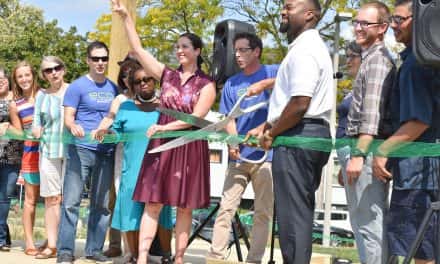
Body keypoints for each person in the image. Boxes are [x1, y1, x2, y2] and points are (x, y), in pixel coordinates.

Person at [112, 1, 216, 263]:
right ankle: (144, 257)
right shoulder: (166, 75)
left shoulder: (206, 84)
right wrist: (126, 18)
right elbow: (137, 49)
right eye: (177, 46)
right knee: (153, 202)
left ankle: (179, 258)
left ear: (197, 51)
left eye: (184, 46)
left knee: (183, 207)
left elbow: (195, 118)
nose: (179, 50)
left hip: (188, 145)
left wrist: (165, 126)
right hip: (161, 144)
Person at [248, 0, 334, 262]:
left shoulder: (305, 50)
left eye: (290, 6)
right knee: (295, 217)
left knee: (293, 221)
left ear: (309, 15)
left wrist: (272, 134)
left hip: (299, 135)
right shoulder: (304, 48)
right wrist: (268, 125)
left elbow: (300, 103)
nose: (283, 11)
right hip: (304, 133)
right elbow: (293, 103)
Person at [373, 0, 440, 263]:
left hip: (417, 178)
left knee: (420, 252)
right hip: (427, 173)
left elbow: (418, 121)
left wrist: (383, 150)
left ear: (422, 19)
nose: (393, 26)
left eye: (400, 20)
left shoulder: (415, 65)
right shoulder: (428, 62)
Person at [207, 32, 277, 263]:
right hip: (238, 157)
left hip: (267, 157)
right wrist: (234, 143)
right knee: (226, 208)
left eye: (242, 50)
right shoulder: (231, 83)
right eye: (235, 51)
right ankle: (216, 256)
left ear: (256, 51)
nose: (237, 55)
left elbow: (295, 84)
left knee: (262, 213)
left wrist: (266, 84)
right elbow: (229, 118)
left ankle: (254, 259)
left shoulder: (273, 72)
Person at [57, 41, 118, 264]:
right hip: (79, 149)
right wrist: (73, 126)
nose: (100, 63)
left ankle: (94, 249)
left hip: (106, 151)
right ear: (88, 60)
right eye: (96, 59)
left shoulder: (114, 88)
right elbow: (68, 118)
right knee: (71, 202)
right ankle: (65, 251)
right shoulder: (77, 86)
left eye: (104, 59)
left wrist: (111, 128)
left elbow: (115, 117)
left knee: (101, 204)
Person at [345, 2, 396, 263]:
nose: (358, 27)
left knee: (370, 228)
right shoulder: (369, 58)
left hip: (366, 151)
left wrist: (358, 155)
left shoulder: (377, 60)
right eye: (356, 22)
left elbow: (372, 114)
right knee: (364, 225)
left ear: (383, 28)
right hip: (362, 151)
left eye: (366, 23)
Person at [108, 65, 173, 263]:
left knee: (162, 215)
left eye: (147, 79)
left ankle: (166, 255)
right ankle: (134, 256)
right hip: (132, 168)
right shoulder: (126, 106)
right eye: (138, 81)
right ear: (132, 86)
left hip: (160, 168)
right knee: (129, 212)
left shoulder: (166, 106)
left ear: (155, 81)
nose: (143, 83)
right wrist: (109, 133)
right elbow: (117, 131)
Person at [30, 56, 69, 259]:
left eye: (57, 68)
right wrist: (36, 128)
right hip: (48, 151)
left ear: (63, 69)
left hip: (71, 153)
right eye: (48, 70)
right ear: (43, 75)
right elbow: (36, 121)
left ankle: (64, 243)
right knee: (51, 198)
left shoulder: (73, 91)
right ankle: (52, 244)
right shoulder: (41, 95)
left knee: (67, 200)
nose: (53, 72)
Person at [335, 41, 368, 261]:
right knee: (356, 220)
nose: (347, 61)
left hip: (360, 156)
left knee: (366, 222)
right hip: (348, 157)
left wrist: (357, 156)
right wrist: (342, 163)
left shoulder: (368, 85)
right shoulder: (352, 87)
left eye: (351, 56)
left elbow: (370, 124)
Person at [8, 61, 41, 256]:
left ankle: (50, 240)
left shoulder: (46, 96)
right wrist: (6, 127)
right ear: (16, 80)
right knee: (30, 200)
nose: (24, 79)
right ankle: (30, 242)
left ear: (33, 75)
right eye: (20, 76)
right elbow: (19, 132)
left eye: (27, 75)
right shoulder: (15, 105)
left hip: (52, 154)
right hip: (30, 155)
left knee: (55, 199)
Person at [0, 66, 22, 251]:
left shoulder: (17, 100)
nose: (0, 81)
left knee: (4, 198)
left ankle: (1, 237)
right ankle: (3, 237)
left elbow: (22, 128)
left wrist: (9, 125)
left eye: (3, 78)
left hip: (12, 157)